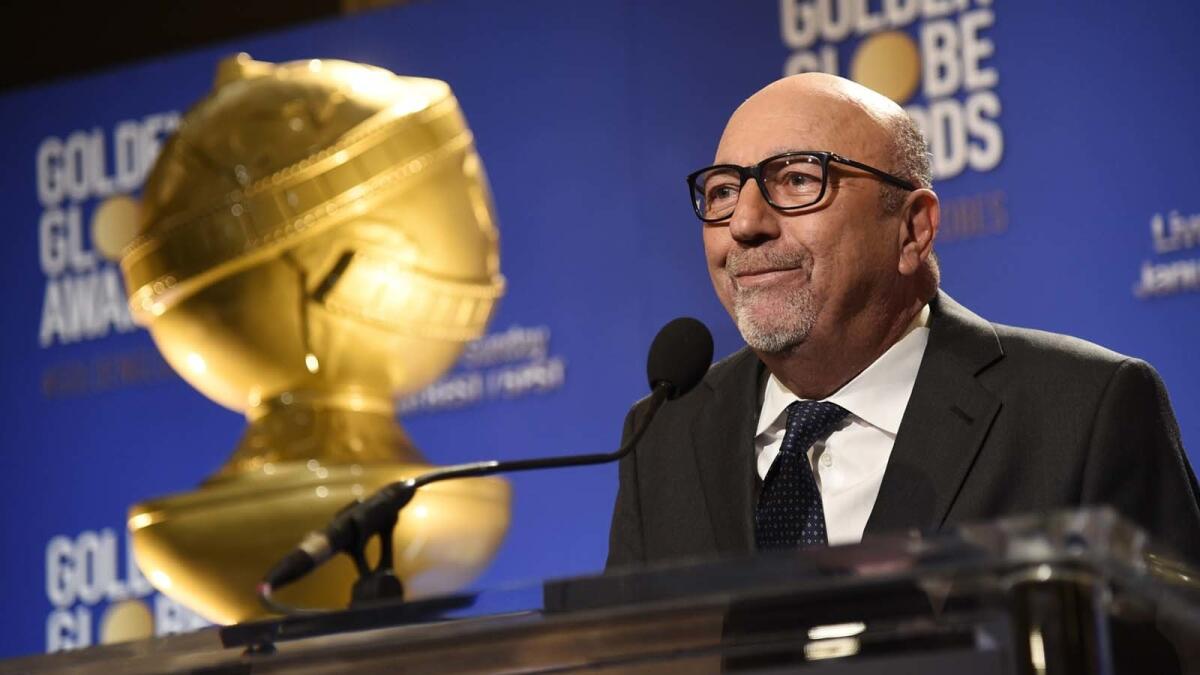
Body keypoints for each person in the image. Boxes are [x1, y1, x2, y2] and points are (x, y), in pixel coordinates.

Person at [607, 73, 1200, 568]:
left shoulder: (1083, 411)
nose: (745, 223)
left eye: (796, 181)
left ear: (913, 228)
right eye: (723, 191)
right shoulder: (663, 436)